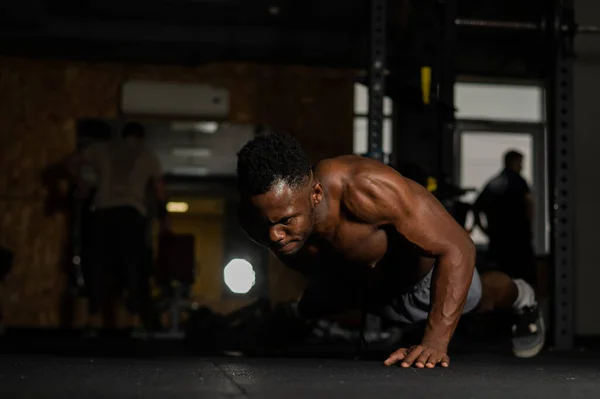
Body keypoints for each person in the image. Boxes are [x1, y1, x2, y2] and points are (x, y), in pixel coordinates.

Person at [236, 132, 544, 368]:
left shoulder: (365, 187)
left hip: (421, 285)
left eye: (286, 221)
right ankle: (289, 320)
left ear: (315, 193)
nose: (275, 236)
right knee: (313, 301)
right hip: (359, 285)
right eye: (265, 225)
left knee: (480, 298)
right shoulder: (259, 218)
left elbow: (458, 246)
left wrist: (435, 342)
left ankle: (523, 296)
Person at [65, 122, 169, 335]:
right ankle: (132, 321)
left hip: (103, 213)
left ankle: (93, 319)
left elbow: (70, 162)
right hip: (131, 215)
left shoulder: (101, 149)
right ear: (140, 137)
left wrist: (80, 183)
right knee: (132, 267)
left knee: (98, 266)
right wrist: (165, 219)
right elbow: (160, 191)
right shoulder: (146, 154)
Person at [471, 150, 536, 286]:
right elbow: (529, 203)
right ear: (513, 162)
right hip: (518, 239)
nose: (521, 167)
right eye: (520, 163)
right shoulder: (518, 181)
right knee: (521, 281)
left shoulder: (493, 183)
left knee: (500, 279)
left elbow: (476, 206)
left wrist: (482, 228)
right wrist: (530, 227)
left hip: (497, 240)